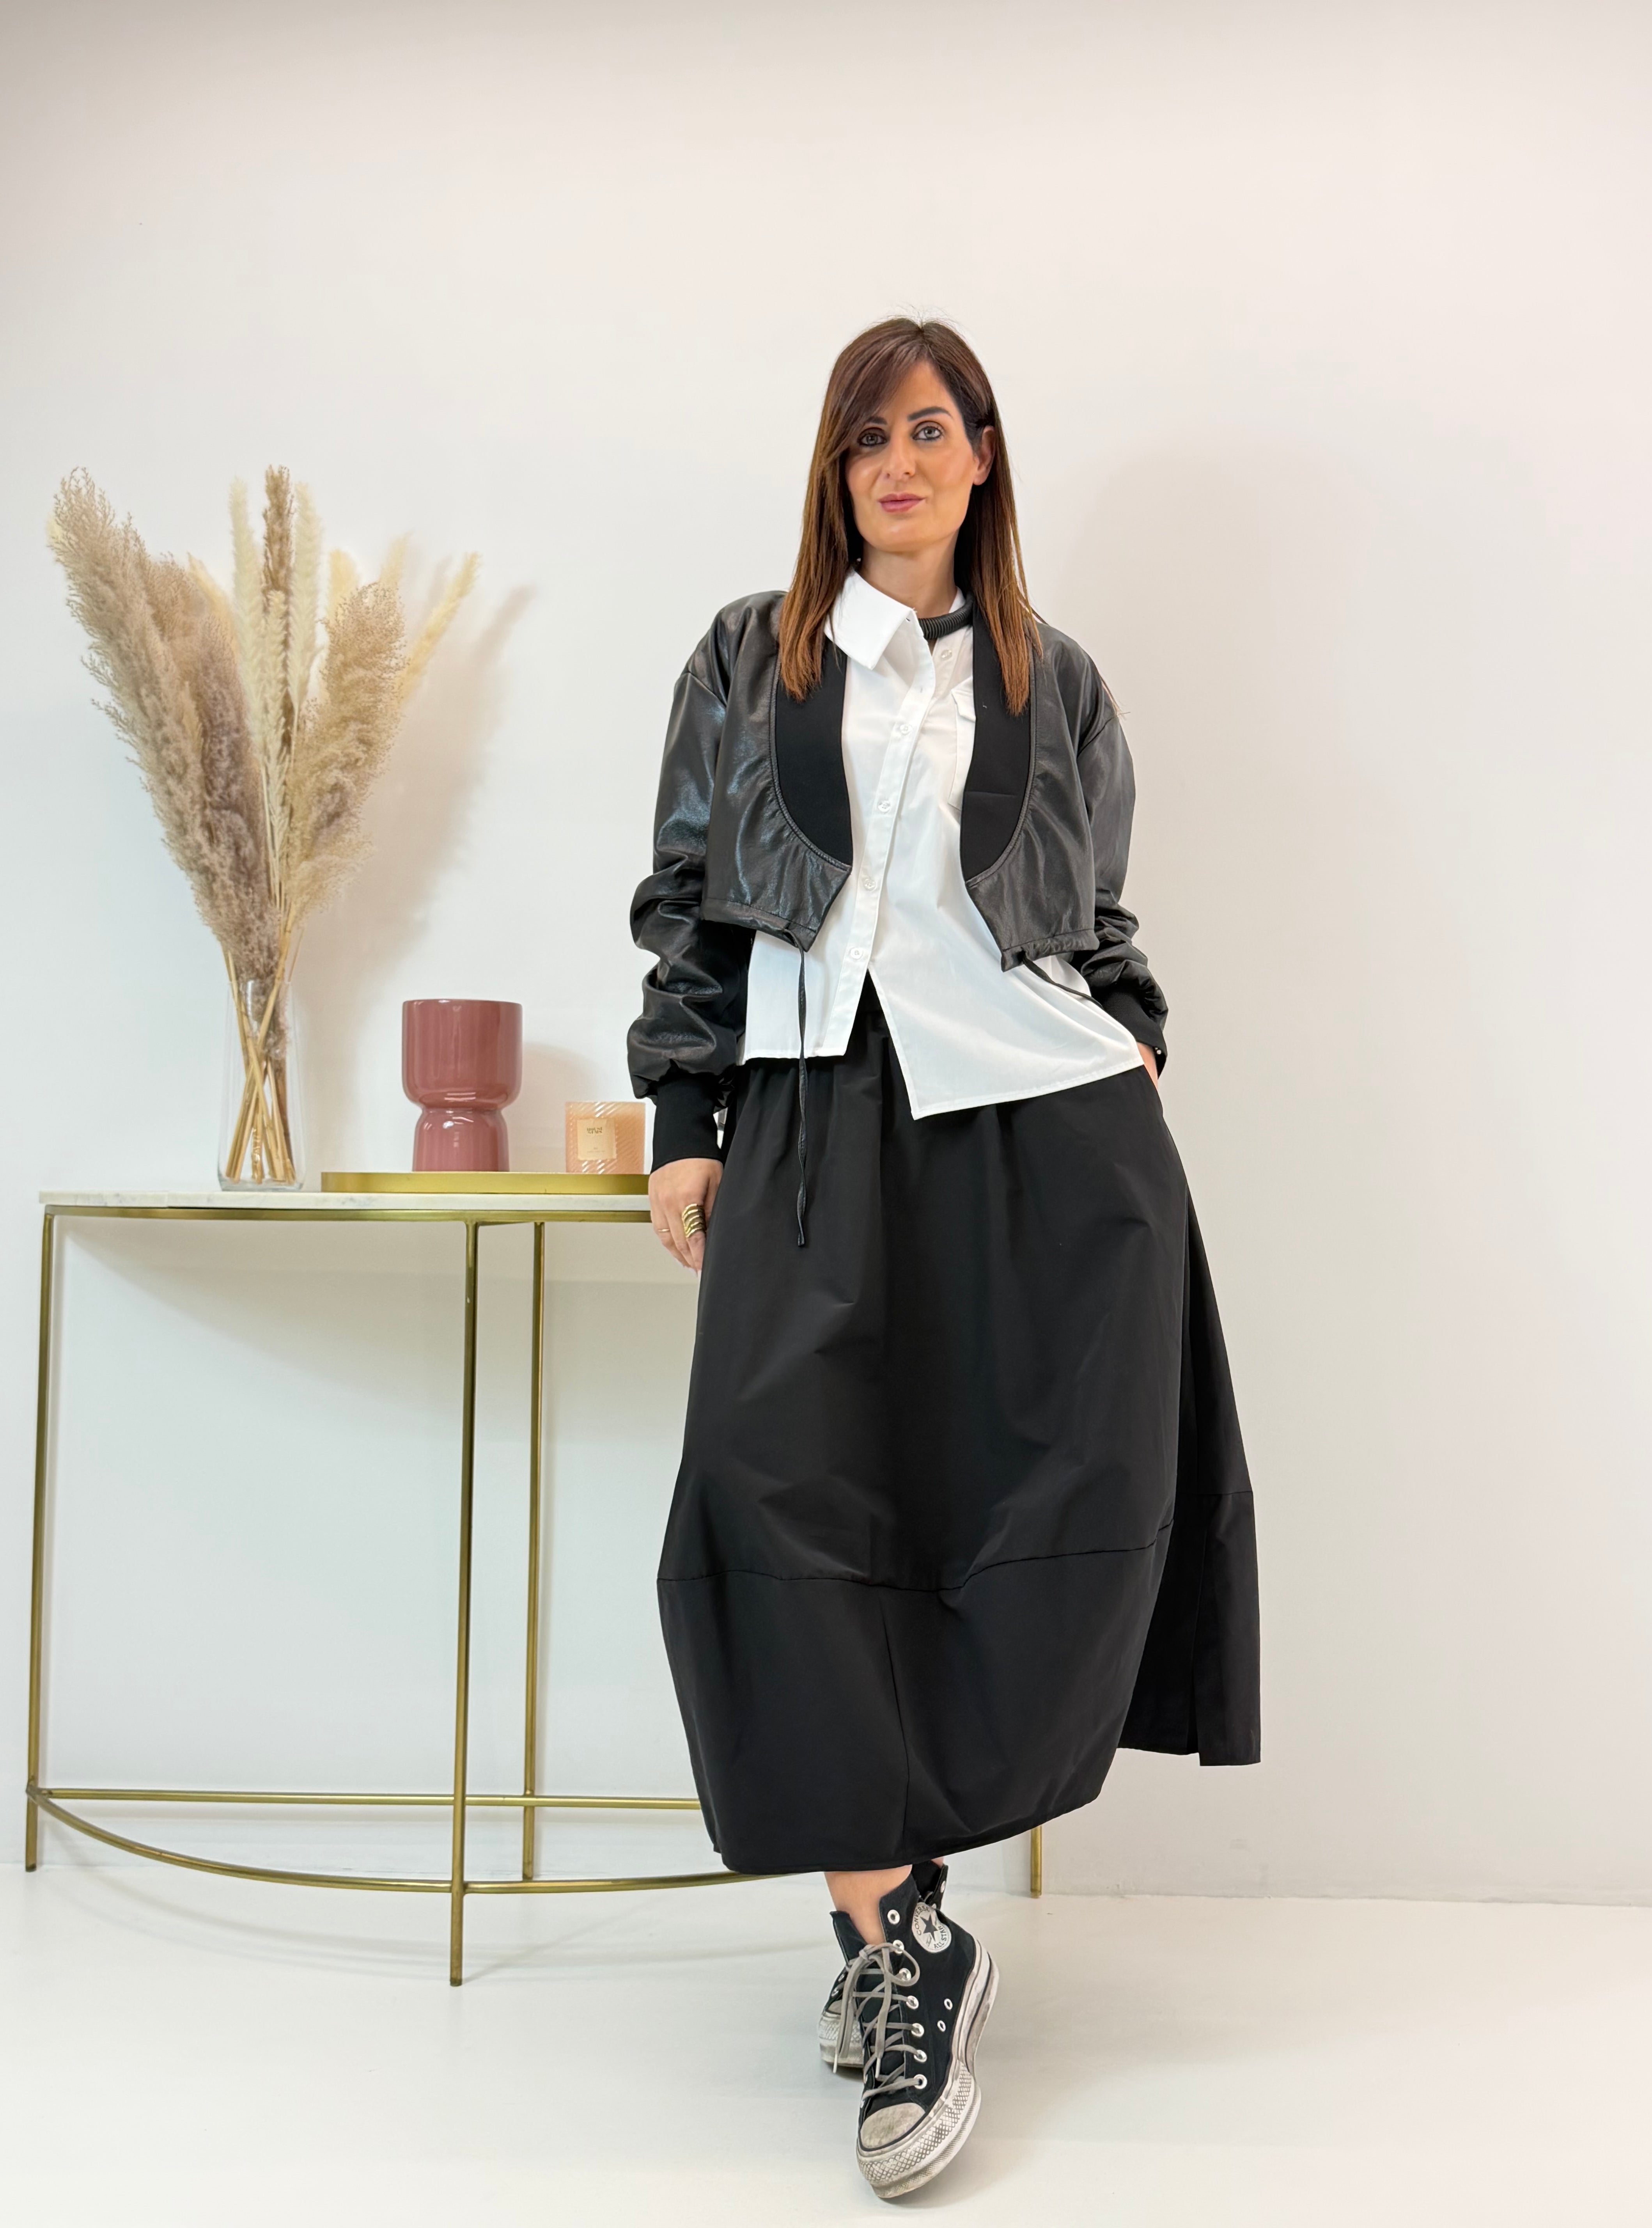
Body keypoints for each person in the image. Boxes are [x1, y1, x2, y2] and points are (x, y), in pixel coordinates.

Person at [627, 317, 1260, 2199]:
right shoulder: (749, 655)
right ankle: (907, 1937)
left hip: (1036, 1123)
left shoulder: (1056, 679)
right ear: (834, 472)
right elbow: (689, 906)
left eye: (928, 429)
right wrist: (686, 1117)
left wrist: (1135, 1028)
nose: (896, 463)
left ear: (982, 455)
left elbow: (1095, 908)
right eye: (864, 437)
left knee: (1010, 1497)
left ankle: (889, 1942)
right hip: (812, 1113)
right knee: (778, 1500)